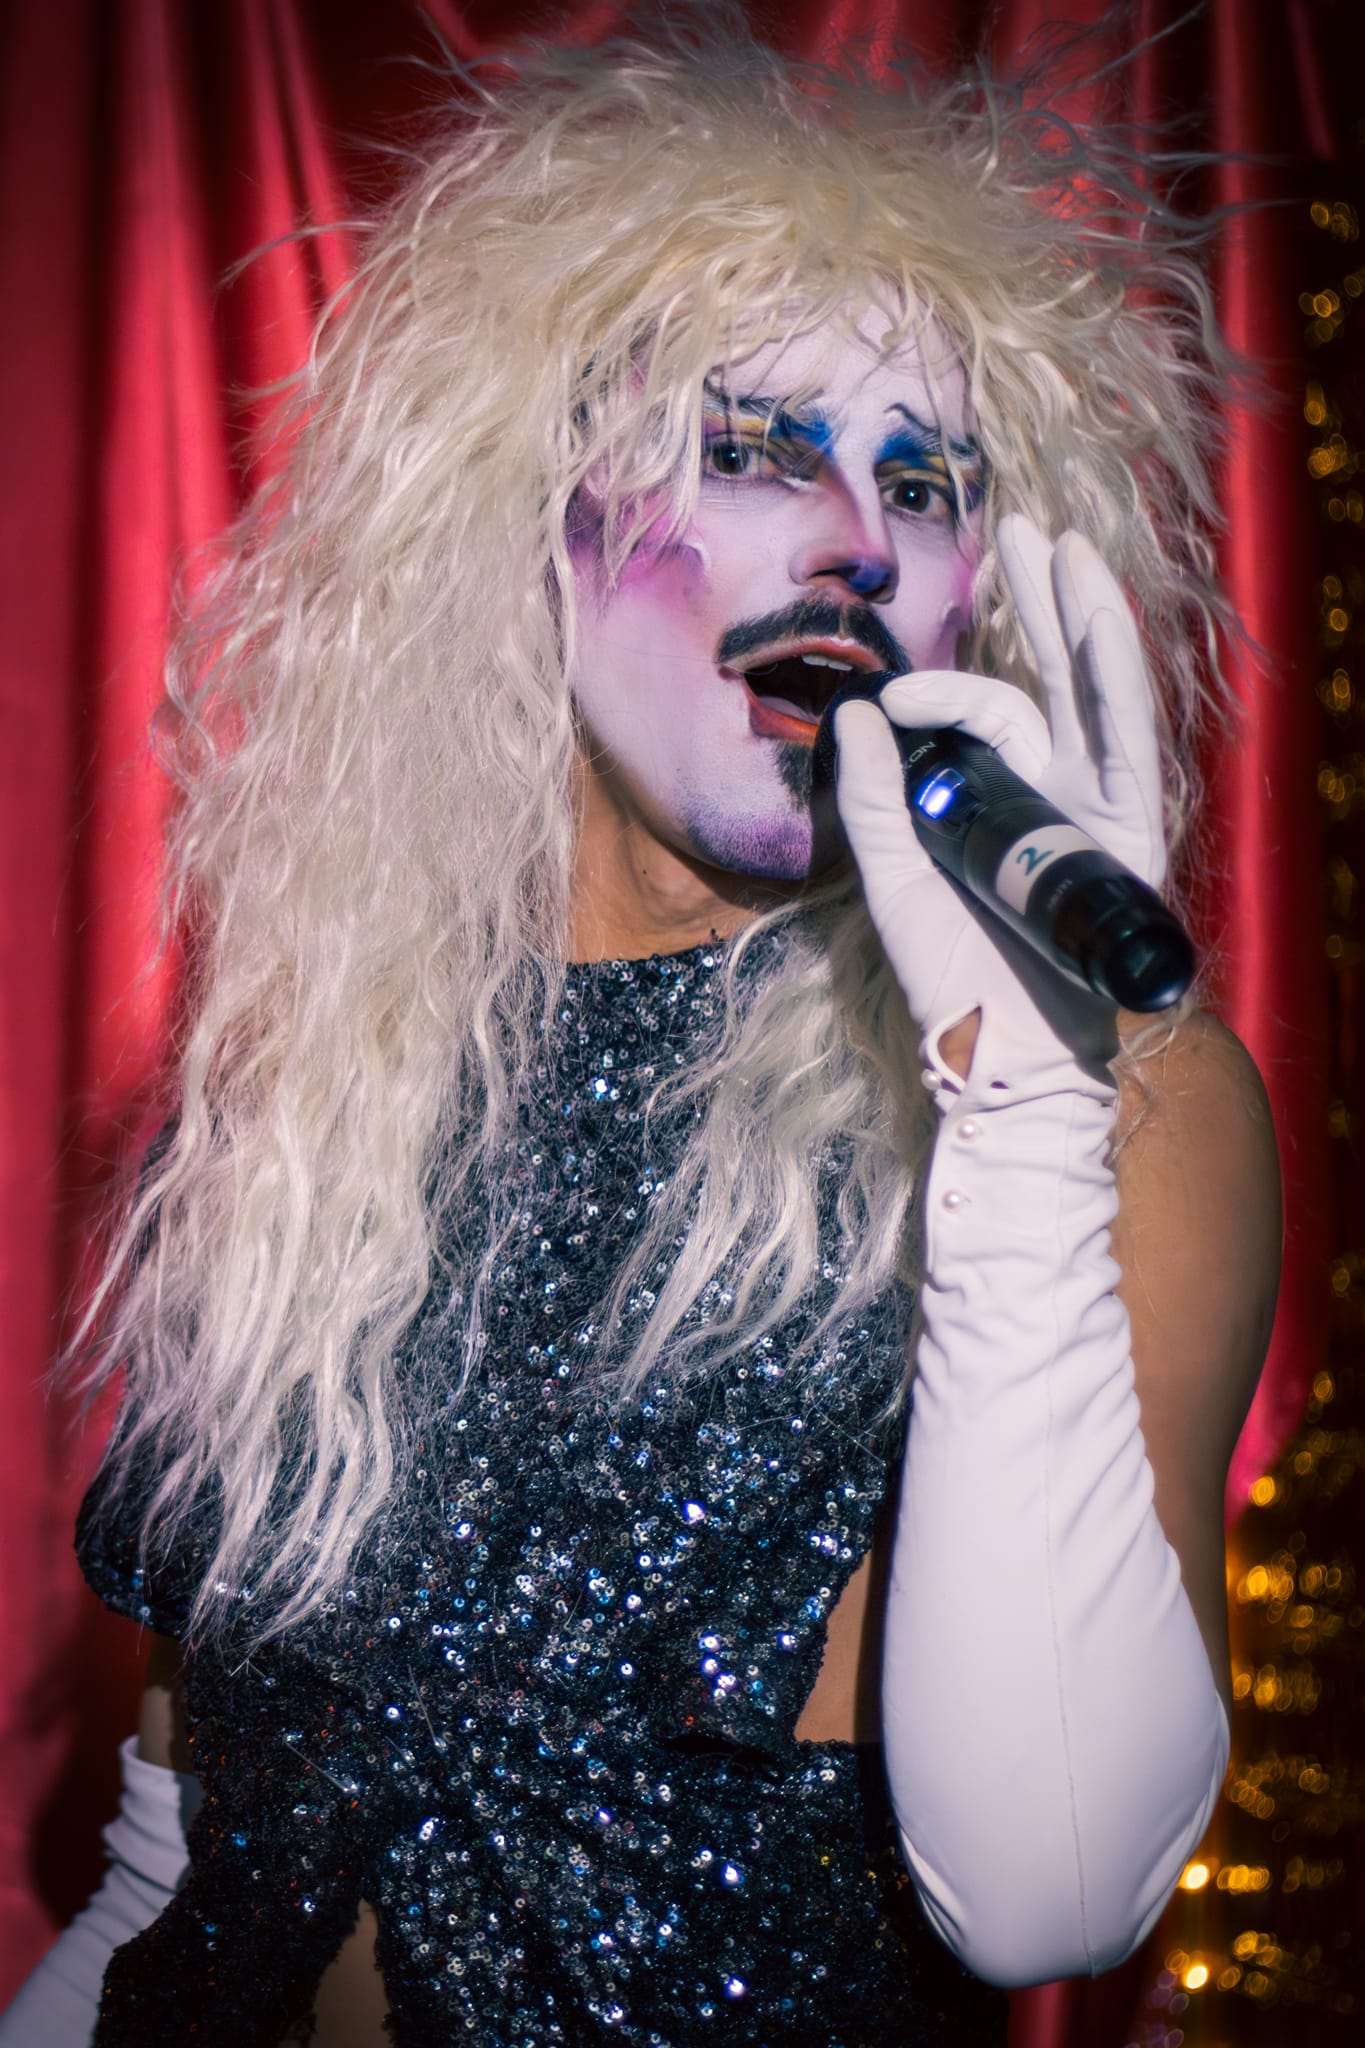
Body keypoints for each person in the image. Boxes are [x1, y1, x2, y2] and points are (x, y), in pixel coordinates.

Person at [1, 19, 1281, 2047]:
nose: (856, 542)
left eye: (923, 483)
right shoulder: (326, 1096)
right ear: (542, 512)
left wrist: (1021, 1110)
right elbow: (177, 1875)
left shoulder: (1113, 1102)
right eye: (753, 446)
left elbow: (1045, 1896)